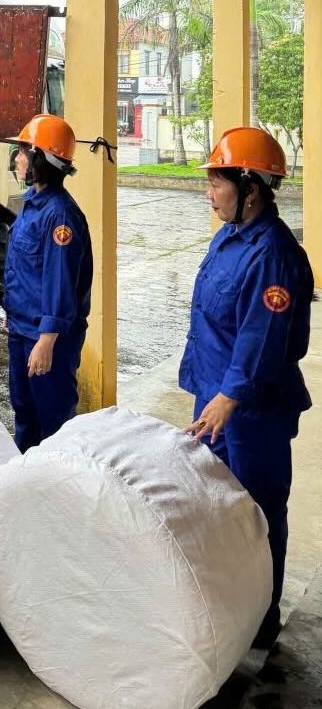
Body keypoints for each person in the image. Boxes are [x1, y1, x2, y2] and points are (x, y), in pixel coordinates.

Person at [180, 126, 313, 650]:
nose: (208, 194)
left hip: (249, 411)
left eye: (217, 183)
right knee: (217, 507)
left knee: (256, 514)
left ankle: (260, 616)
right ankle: (230, 605)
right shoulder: (230, 237)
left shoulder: (273, 255)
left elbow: (263, 338)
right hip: (215, 397)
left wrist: (229, 397)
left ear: (251, 189)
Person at [3, 114, 93, 452]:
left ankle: (57, 494)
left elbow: (60, 284)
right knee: (24, 413)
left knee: (52, 422)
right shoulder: (32, 203)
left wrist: (47, 340)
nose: (18, 159)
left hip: (47, 339)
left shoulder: (60, 216)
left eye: (25, 151)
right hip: (23, 330)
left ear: (42, 159)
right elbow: (25, 272)